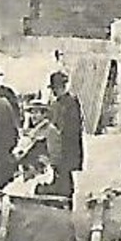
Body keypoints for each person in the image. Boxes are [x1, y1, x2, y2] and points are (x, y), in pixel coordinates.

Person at [44, 71, 84, 200]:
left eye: (57, 88)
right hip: (62, 147)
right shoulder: (58, 104)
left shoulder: (70, 104)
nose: (55, 91)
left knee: (64, 178)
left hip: (67, 147)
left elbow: (71, 129)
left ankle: (66, 203)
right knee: (60, 175)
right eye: (54, 88)